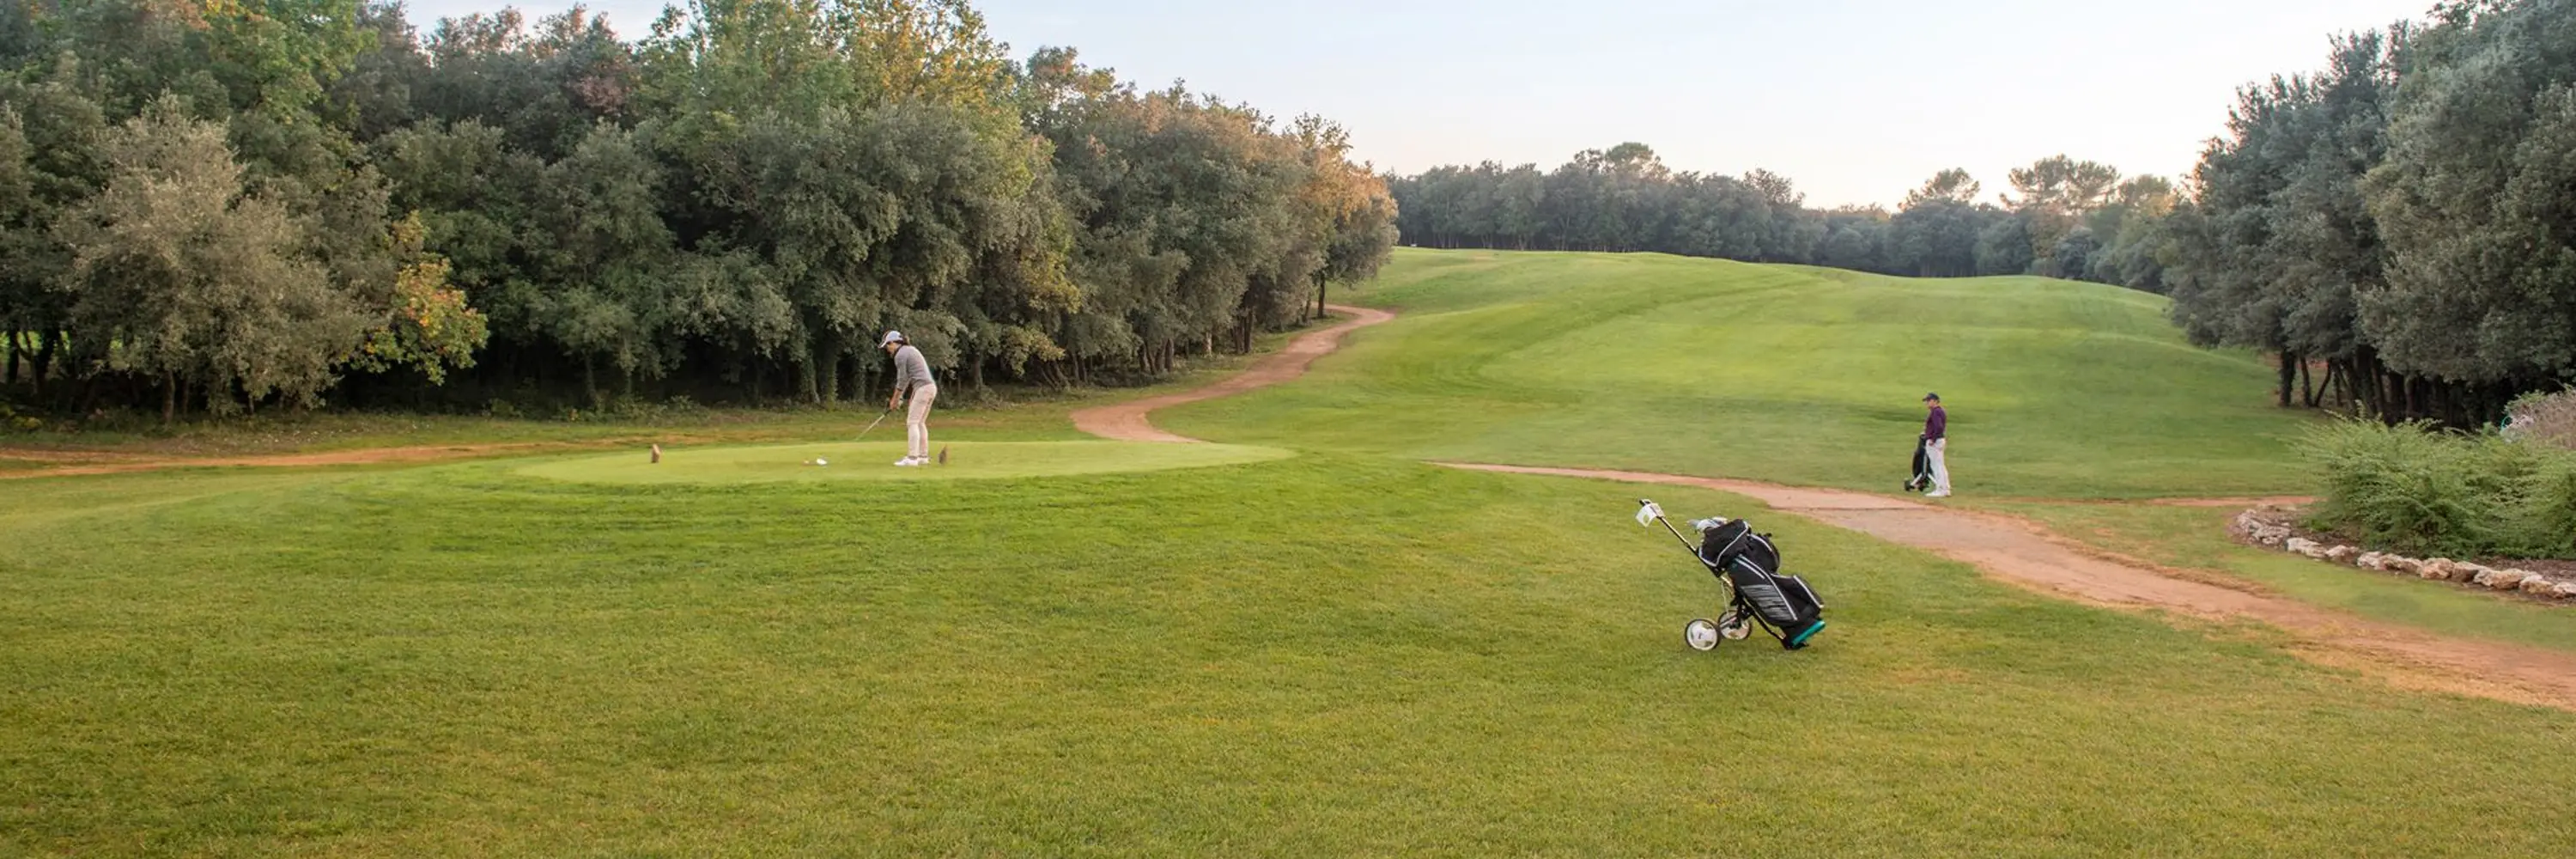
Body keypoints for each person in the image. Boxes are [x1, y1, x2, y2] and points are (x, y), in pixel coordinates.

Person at [881, 331, 938, 466]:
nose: (887, 349)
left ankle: (912, 458)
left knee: (912, 423)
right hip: (930, 388)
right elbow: (910, 380)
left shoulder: (900, 355)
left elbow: (902, 380)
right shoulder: (910, 350)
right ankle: (923, 457)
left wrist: (894, 400)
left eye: (887, 345)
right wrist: (903, 397)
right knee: (920, 422)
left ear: (893, 343)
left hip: (923, 388)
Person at [1920, 393, 1951, 498]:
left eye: (1929, 401)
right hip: (1940, 440)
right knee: (1940, 465)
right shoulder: (1940, 411)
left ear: (1935, 401)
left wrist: (1932, 439)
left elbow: (1939, 427)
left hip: (1936, 441)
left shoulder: (1935, 412)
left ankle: (1940, 489)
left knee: (1936, 466)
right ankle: (1945, 488)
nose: (1927, 403)